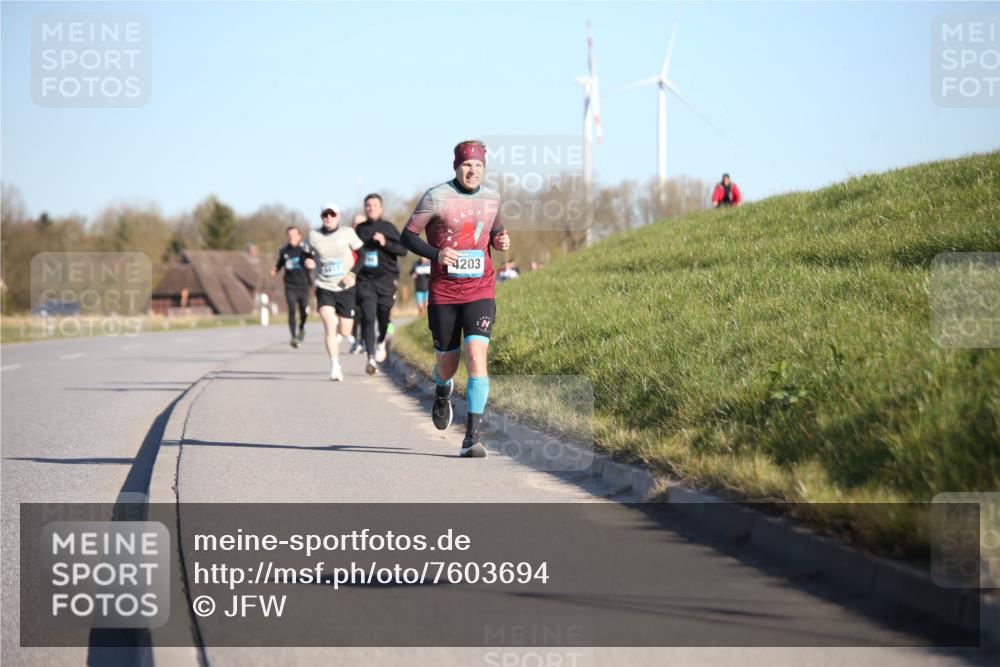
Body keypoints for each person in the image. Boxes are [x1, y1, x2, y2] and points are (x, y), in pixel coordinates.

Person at [401, 139, 510, 458]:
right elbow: (406, 236)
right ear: (456, 167)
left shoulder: (492, 198)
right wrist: (436, 253)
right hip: (445, 291)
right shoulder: (436, 196)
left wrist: (501, 240)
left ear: (484, 168)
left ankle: (472, 437)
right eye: (466, 165)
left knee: (476, 356)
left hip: (480, 289)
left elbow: (495, 233)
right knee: (447, 364)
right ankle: (442, 389)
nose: (472, 170)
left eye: (477, 165)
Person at [304, 202, 364, 381]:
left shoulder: (347, 233)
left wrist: (352, 274)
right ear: (321, 216)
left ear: (338, 216)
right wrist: (308, 262)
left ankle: (342, 335)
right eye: (325, 215)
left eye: (332, 214)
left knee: (345, 331)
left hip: (345, 287)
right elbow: (304, 254)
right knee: (329, 323)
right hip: (324, 286)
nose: (328, 217)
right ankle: (335, 366)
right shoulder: (313, 235)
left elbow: (363, 254)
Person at [355, 193, 407, 375]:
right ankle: (370, 358)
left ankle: (382, 339)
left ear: (381, 208)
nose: (371, 208)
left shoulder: (389, 227)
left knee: (383, 316)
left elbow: (403, 250)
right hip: (365, 280)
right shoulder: (359, 229)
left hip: (385, 279)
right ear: (365, 208)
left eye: (375, 205)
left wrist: (385, 242)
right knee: (368, 317)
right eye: (368, 205)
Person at [270, 225, 312, 348]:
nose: (291, 236)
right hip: (290, 286)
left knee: (304, 310)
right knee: (292, 310)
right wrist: (275, 269)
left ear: (299, 236)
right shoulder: (284, 251)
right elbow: (280, 264)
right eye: (289, 234)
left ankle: (302, 327)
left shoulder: (305, 250)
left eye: (294, 234)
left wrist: (312, 265)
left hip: (304, 285)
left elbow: (314, 262)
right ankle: (294, 337)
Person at [349, 214, 367, 354]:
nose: (358, 226)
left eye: (361, 223)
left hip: (368, 280)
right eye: (356, 224)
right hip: (351, 279)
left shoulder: (369, 238)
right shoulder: (347, 240)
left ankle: (366, 340)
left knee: (366, 312)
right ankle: (356, 340)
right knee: (355, 312)